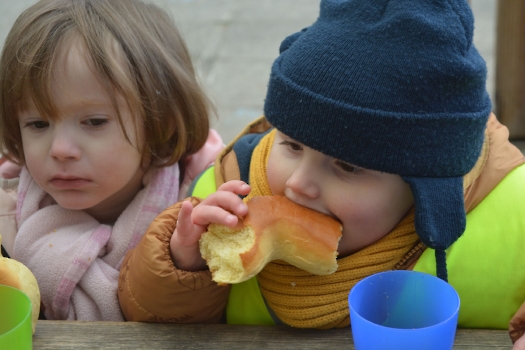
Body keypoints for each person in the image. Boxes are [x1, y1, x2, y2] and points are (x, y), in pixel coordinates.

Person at [118, 0, 525, 345]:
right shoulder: (225, 190)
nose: (297, 184)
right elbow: (143, 315)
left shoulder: (513, 212)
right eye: (292, 145)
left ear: (424, 185)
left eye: (347, 166)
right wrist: (182, 265)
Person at [0, 0, 224, 321]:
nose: (61, 149)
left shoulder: (205, 203)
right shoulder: (6, 215)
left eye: (94, 122)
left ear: (160, 123)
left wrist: (186, 263)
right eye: (38, 124)